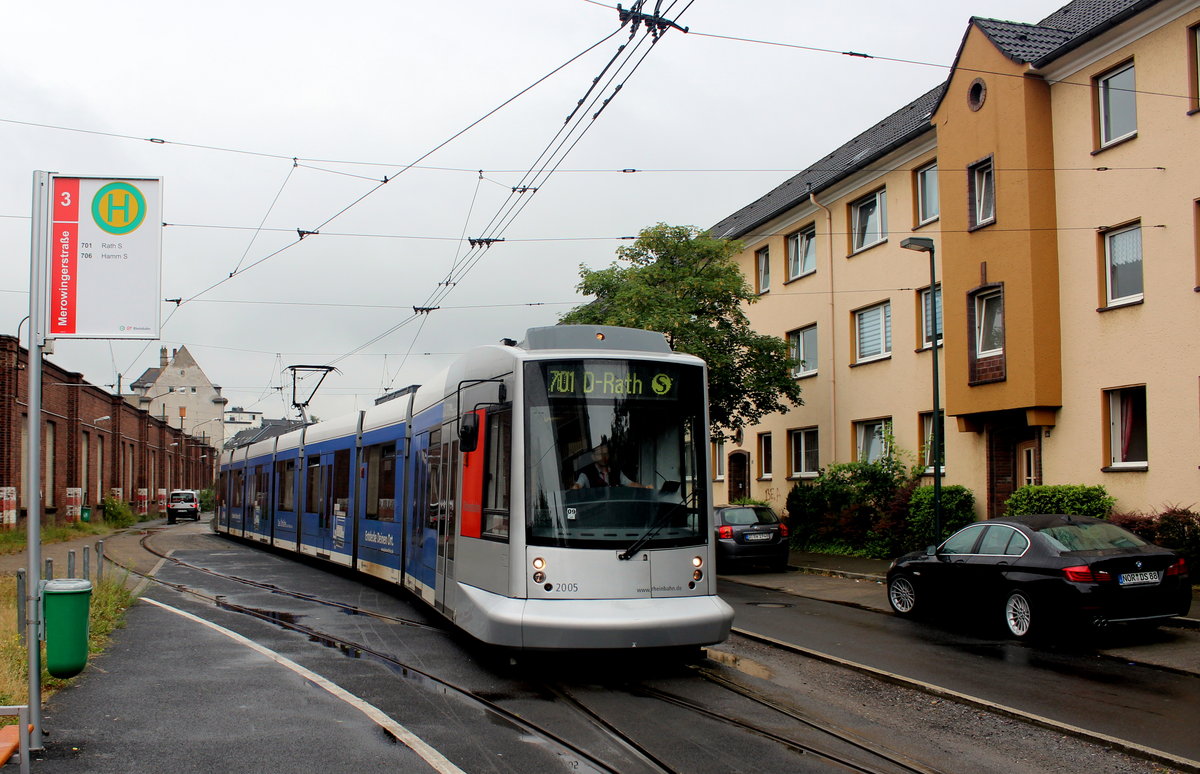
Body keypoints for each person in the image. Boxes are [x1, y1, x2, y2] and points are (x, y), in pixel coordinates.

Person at [571, 442, 649, 489]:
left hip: (615, 513)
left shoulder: (615, 471)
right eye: (599, 454)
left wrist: (645, 488)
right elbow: (576, 489)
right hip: (596, 515)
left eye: (605, 454)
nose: (603, 457)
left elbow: (630, 484)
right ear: (593, 457)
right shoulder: (586, 474)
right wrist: (571, 517)